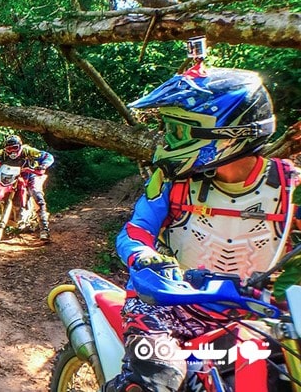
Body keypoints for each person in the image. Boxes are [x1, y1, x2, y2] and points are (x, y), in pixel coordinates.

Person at [105, 65, 301, 392]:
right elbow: (136, 230)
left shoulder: (289, 186)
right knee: (158, 377)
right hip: (166, 307)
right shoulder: (173, 183)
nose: (166, 140)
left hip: (253, 311)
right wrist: (144, 257)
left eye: (178, 131)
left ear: (228, 134)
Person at [0, 135, 55, 240]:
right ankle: (2, 220)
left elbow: (47, 156)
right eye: (9, 149)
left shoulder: (28, 151)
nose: (12, 151)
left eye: (15, 148)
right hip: (11, 176)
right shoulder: (3, 153)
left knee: (36, 193)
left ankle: (44, 228)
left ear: (20, 146)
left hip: (30, 176)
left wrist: (43, 166)